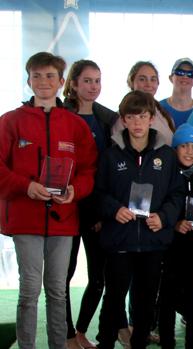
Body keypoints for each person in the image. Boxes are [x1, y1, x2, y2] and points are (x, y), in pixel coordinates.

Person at [0, 51, 98, 349]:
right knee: (29, 290)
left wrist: (75, 191)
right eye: (37, 75)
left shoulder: (74, 125)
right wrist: (26, 186)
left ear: (60, 81)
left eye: (50, 76)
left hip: (63, 221)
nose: (43, 81)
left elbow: (89, 168)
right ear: (28, 79)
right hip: (24, 218)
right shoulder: (10, 122)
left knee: (57, 290)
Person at [95, 90, 185, 349]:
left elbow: (177, 193)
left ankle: (139, 344)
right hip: (119, 240)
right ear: (123, 120)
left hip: (152, 241)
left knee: (146, 301)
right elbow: (98, 193)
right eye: (131, 117)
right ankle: (106, 343)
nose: (137, 123)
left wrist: (164, 217)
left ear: (151, 119)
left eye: (142, 116)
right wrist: (115, 209)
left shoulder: (166, 156)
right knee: (113, 299)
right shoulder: (111, 155)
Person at [62, 59, 119, 349]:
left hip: (96, 209)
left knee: (99, 277)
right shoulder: (59, 115)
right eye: (87, 80)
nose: (93, 86)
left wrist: (102, 211)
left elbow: (108, 171)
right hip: (65, 207)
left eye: (97, 80)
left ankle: (82, 331)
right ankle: (68, 334)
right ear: (73, 84)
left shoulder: (107, 118)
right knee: (64, 275)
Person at [158, 124, 193, 349]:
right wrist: (174, 225)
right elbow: (158, 209)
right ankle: (167, 343)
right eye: (184, 146)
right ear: (175, 148)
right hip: (170, 248)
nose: (190, 152)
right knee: (167, 299)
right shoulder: (164, 175)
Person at [112, 61, 176, 145]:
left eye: (153, 79)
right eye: (142, 79)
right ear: (131, 82)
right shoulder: (122, 117)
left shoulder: (164, 115)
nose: (148, 84)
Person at [159, 58, 193, 127]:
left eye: (190, 74)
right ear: (170, 78)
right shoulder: (158, 109)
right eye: (180, 72)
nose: (185, 76)